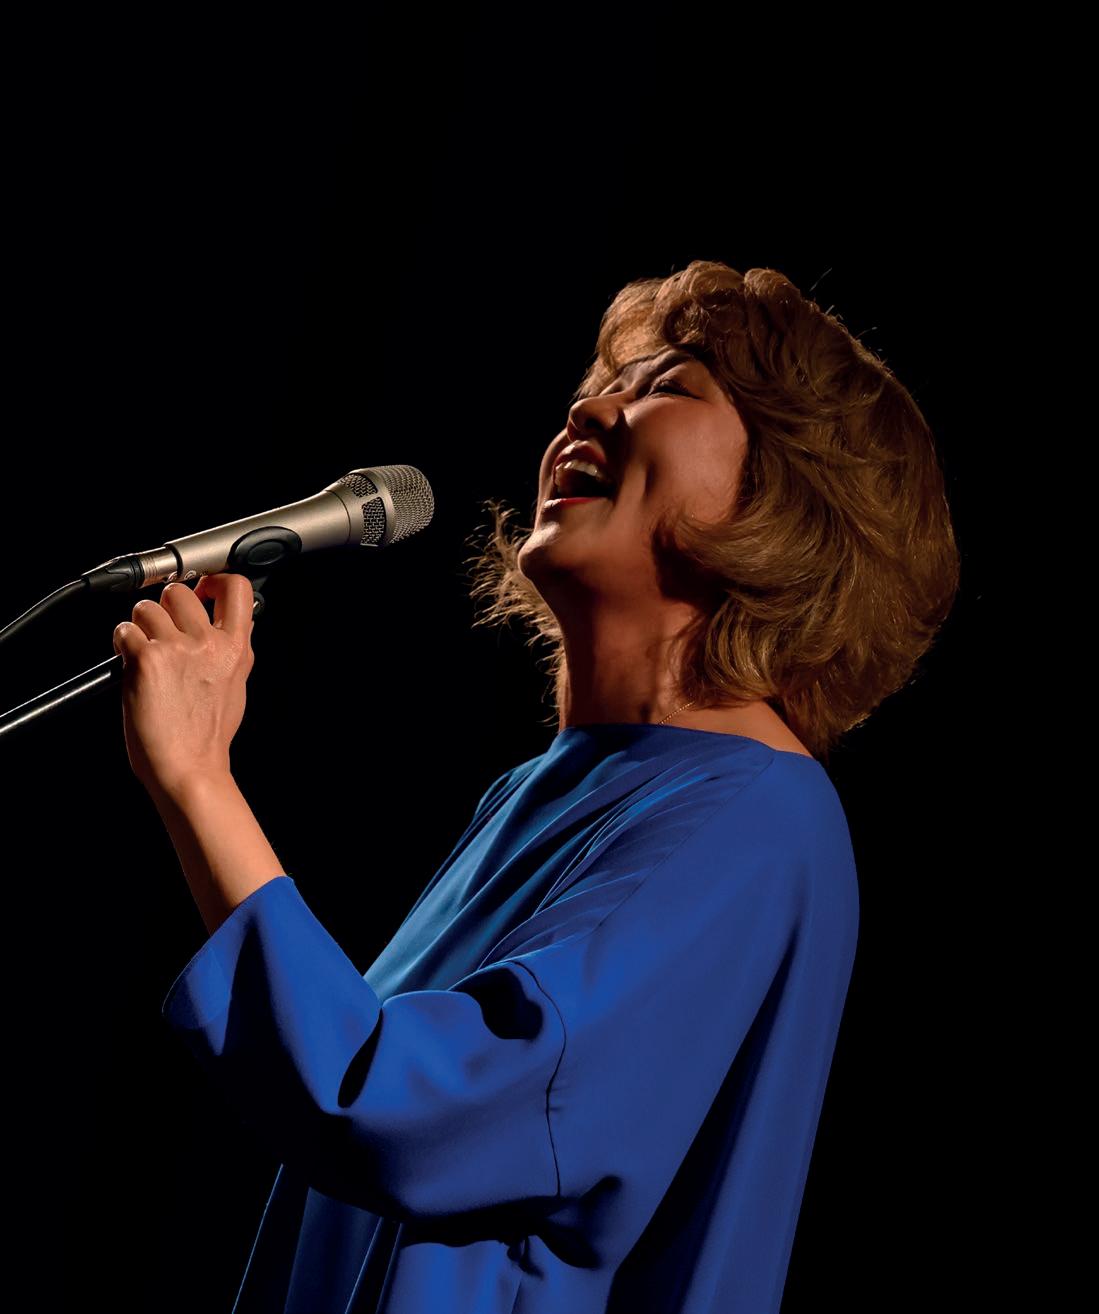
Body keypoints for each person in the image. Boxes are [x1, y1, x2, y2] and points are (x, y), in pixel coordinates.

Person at [114, 261, 961, 1313]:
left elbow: (398, 1108)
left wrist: (198, 777)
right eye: (603, 386)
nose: (587, 411)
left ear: (788, 502)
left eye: (667, 388)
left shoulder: (756, 819)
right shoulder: (543, 795)